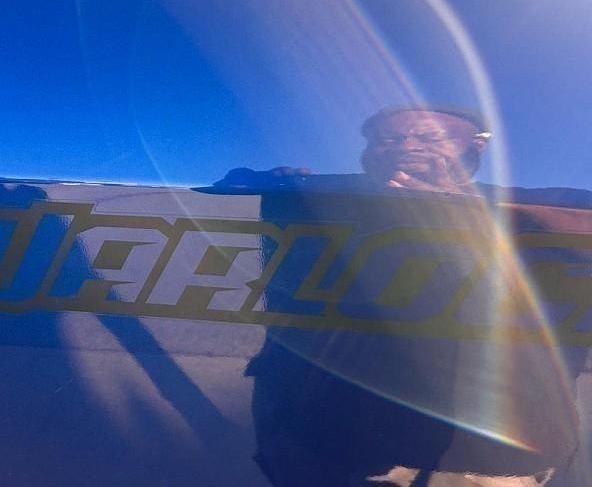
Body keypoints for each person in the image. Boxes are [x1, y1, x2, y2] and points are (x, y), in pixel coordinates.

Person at [207, 106, 591, 486]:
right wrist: (265, 180)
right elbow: (229, 185)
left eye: (429, 137)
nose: (406, 146)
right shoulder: (325, 194)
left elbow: (583, 228)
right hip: (312, 433)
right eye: (387, 139)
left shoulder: (533, 198)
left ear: (477, 145)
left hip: (479, 454)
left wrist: (463, 204)